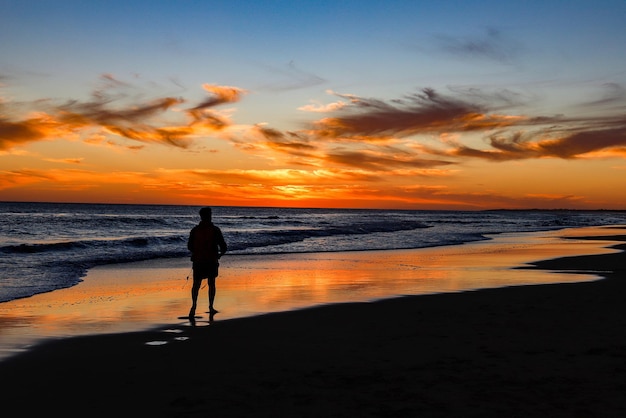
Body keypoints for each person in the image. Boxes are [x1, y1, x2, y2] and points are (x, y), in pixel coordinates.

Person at [187, 207, 227, 319]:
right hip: (211, 261)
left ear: (201, 216)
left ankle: (193, 307)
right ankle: (210, 307)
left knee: (196, 285)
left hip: (198, 261)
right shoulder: (215, 230)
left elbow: (189, 246)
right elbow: (223, 247)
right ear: (209, 216)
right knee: (211, 284)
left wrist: (197, 252)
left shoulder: (194, 230)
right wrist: (218, 255)